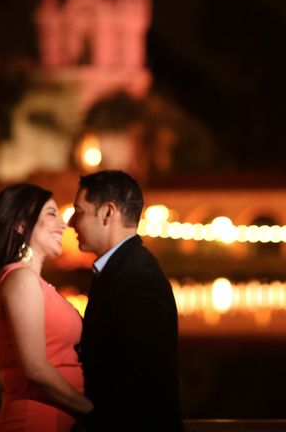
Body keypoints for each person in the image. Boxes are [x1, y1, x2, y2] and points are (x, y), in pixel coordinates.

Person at [0, 183, 93, 431]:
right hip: (34, 421)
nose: (63, 225)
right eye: (51, 214)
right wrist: (93, 411)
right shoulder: (20, 280)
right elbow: (35, 369)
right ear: (21, 225)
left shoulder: (31, 282)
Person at [70, 170, 183, 431]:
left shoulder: (136, 275)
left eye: (79, 211)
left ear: (108, 213)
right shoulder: (121, 268)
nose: (71, 223)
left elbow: (141, 376)